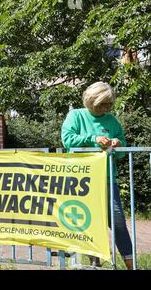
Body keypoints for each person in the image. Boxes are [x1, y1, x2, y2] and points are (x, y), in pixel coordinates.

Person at [61, 81, 134, 270]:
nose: (107, 108)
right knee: (88, 222)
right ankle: (95, 264)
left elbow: (121, 151)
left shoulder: (112, 121)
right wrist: (94, 139)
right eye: (103, 104)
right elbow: (67, 139)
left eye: (109, 104)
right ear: (92, 100)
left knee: (117, 221)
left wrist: (118, 145)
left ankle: (131, 264)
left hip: (108, 179)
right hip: (81, 180)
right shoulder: (75, 115)